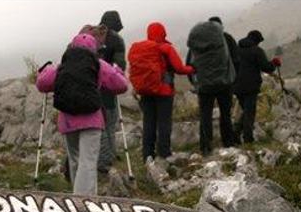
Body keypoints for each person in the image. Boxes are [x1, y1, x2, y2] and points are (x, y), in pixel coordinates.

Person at [36, 33, 128, 195]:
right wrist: (117, 70)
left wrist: (45, 71)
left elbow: (42, 84)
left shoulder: (63, 65)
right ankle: (83, 203)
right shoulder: (98, 64)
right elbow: (120, 85)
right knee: (88, 162)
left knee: (75, 160)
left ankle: (76, 197)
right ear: (94, 48)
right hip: (91, 119)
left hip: (68, 120)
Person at [128, 22, 195, 162]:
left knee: (149, 122)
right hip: (163, 91)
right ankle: (164, 152)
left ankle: (147, 154)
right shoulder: (166, 48)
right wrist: (193, 69)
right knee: (164, 122)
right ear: (163, 33)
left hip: (145, 92)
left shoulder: (141, 49)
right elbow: (179, 68)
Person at [187, 20, 237, 156]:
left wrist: (194, 83)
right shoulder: (226, 38)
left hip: (204, 85)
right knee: (225, 114)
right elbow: (235, 58)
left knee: (205, 116)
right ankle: (228, 143)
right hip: (224, 83)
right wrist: (232, 78)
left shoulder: (196, 41)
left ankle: (205, 146)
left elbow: (190, 64)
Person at [234, 30, 282, 143]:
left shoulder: (236, 50)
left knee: (246, 111)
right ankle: (248, 139)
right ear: (256, 40)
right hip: (251, 86)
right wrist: (274, 63)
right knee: (249, 113)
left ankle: (235, 134)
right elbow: (266, 67)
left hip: (236, 85)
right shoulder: (257, 51)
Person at [97, 11, 126, 173]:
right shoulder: (116, 40)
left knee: (97, 124)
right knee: (109, 122)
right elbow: (119, 65)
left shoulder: (91, 35)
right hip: (108, 87)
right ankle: (106, 159)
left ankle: (104, 156)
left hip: (90, 87)